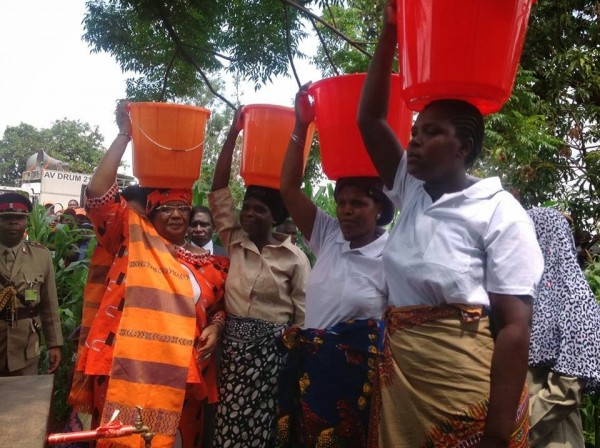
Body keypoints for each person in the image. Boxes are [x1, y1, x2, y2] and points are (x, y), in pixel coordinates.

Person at [356, 2, 545, 446]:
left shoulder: (499, 211)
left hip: (465, 389)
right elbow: (369, 119)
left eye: (432, 132)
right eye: (416, 131)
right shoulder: (411, 190)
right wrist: (390, 32)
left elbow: (515, 326)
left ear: (465, 147)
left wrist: (497, 432)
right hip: (403, 385)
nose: (415, 141)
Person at [68, 101, 229, 448]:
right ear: (150, 214)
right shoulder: (130, 240)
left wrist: (216, 327)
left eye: (182, 208)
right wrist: (125, 135)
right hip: (121, 371)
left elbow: (219, 307)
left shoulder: (211, 266)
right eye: (166, 208)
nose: (175, 215)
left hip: (181, 382)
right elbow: (98, 195)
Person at [277, 85, 394, 447]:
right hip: (310, 374)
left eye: (358, 204)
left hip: (356, 386)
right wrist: (302, 127)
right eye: (342, 202)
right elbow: (289, 189)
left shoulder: (393, 256)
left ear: (380, 210)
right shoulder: (329, 235)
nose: (345, 210)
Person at [208, 109, 311, 448]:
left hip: (274, 360)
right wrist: (233, 134)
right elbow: (219, 190)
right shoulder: (234, 241)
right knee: (229, 424)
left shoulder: (294, 259)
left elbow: (303, 318)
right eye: (247, 207)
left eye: (260, 210)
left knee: (269, 431)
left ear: (276, 217)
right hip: (233, 356)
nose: (249, 214)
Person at [526, 207, 600, 448]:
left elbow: (568, 387)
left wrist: (518, 426)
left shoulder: (574, 297)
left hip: (552, 435)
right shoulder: (526, 295)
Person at [0, 192, 63, 376]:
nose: (13, 223)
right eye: (6, 218)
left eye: (19, 218)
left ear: (26, 221)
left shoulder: (41, 256)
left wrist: (54, 344)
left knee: (24, 402)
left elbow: (49, 304)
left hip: (25, 350)